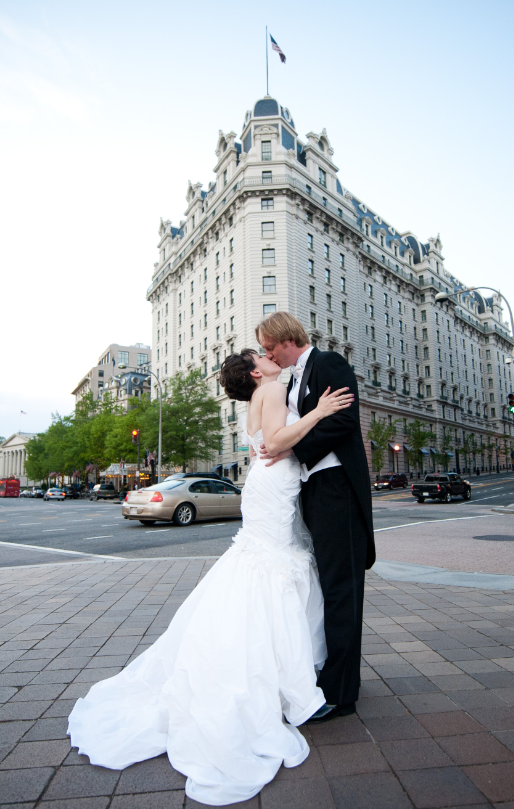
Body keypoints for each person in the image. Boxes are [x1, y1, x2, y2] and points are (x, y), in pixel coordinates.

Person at [67, 348, 353, 806]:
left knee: (264, 566)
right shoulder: (275, 387)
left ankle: (275, 670)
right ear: (258, 371)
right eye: (262, 354)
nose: (269, 355)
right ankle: (278, 677)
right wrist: (319, 410)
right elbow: (278, 443)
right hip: (274, 486)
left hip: (264, 486)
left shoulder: (256, 397)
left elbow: (265, 443)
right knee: (273, 568)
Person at [256, 312, 375, 724]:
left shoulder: (329, 363)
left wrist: (293, 450)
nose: (267, 352)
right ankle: (336, 675)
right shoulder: (293, 379)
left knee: (342, 591)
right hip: (316, 493)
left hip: (337, 489)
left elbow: (343, 420)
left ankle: (342, 694)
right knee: (331, 588)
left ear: (286, 338)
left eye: (269, 345)